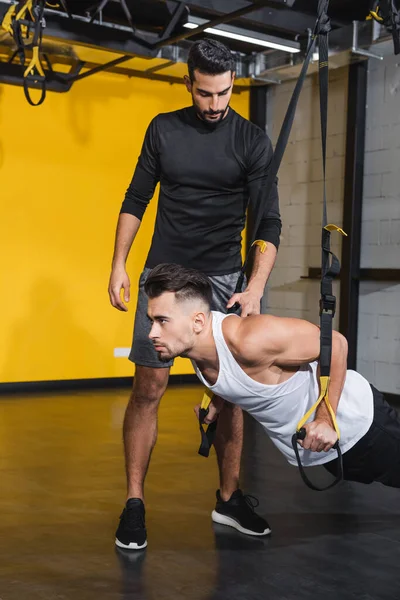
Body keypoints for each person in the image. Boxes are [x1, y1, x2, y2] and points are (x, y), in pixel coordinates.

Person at [108, 39, 281, 549]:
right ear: (189, 83)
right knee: (149, 390)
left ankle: (228, 499)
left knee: (232, 396)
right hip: (165, 275)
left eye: (224, 93)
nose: (215, 104)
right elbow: (136, 198)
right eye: (205, 94)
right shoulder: (164, 129)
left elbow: (266, 219)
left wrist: (255, 288)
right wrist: (118, 263)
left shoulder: (251, 140)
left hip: (225, 277)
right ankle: (134, 504)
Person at [144, 263, 400, 496]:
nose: (152, 333)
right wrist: (217, 399)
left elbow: (336, 344)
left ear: (198, 321)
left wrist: (324, 419)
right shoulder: (196, 346)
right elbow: (235, 370)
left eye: (162, 321)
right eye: (152, 321)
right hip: (324, 451)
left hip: (360, 425)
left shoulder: (250, 339)